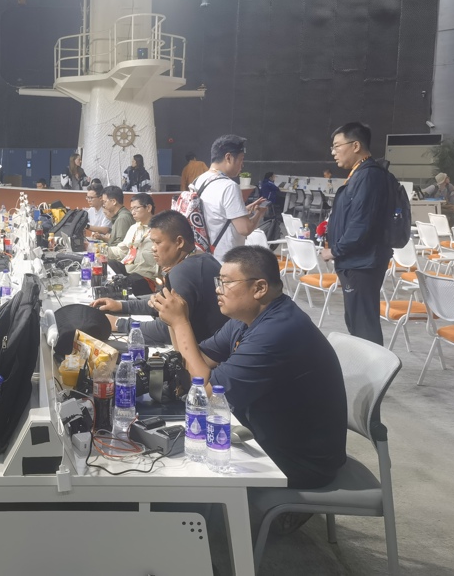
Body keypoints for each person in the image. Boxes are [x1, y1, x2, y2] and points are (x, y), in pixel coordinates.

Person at [152, 245, 347, 490]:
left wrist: (181, 322)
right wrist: (172, 320)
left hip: (299, 462)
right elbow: (195, 360)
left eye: (226, 282)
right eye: (218, 281)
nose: (217, 289)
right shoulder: (246, 319)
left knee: (177, 469)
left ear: (259, 288)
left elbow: (204, 392)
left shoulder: (277, 331)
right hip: (263, 436)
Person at [93, 210, 227, 346]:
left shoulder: (183, 272)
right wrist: (121, 305)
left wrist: (119, 323)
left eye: (157, 242)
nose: (153, 248)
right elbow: (160, 303)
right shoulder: (204, 258)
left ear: (179, 242)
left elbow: (167, 330)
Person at [321, 122, 393, 345]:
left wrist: (335, 250)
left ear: (355, 146)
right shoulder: (360, 174)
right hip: (355, 261)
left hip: (362, 263)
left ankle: (375, 368)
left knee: (364, 328)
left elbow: (361, 224)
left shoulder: (369, 176)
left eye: (337, 146)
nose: (333, 152)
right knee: (357, 323)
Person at [190, 135, 266, 262]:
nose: (242, 165)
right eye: (241, 159)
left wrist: (243, 210)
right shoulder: (229, 186)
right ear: (228, 157)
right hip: (225, 260)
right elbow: (245, 229)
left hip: (204, 257)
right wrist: (259, 213)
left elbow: (214, 214)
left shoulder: (199, 180)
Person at [104, 193, 157, 279]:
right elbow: (122, 250)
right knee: (110, 263)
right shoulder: (134, 228)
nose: (132, 212)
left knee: (131, 280)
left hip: (146, 275)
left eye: (136, 208)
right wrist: (101, 249)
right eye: (131, 209)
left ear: (148, 208)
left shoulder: (158, 229)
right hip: (129, 270)